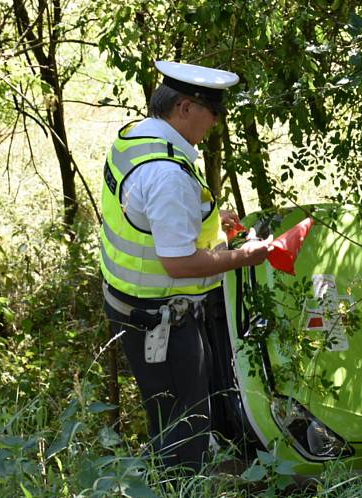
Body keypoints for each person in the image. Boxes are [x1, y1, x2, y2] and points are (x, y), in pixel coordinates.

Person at [99, 60, 272, 474]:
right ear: (185, 108)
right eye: (214, 113)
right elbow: (178, 262)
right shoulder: (167, 173)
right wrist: (244, 257)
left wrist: (212, 218)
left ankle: (172, 484)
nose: (216, 123)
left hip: (131, 303)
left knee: (165, 410)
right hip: (160, 317)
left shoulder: (136, 138)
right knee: (185, 420)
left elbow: (149, 215)